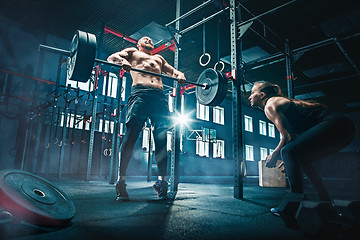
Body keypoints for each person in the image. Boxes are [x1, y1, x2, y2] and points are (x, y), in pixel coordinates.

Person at [248, 81, 357, 215]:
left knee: (286, 151)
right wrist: (290, 160)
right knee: (301, 158)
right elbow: (296, 141)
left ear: (262, 95)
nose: (249, 96)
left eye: (252, 93)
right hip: (346, 128)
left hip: (336, 124)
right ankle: (326, 202)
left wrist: (274, 154)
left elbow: (287, 137)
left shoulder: (270, 104)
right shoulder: (280, 104)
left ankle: (294, 204)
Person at [107, 36, 186, 200]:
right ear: (138, 44)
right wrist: (122, 62)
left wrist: (180, 75)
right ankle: (120, 181)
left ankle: (162, 183)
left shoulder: (159, 58)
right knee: (131, 136)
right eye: (145, 39)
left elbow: (173, 71)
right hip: (140, 94)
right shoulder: (132, 52)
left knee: (162, 139)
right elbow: (112, 57)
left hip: (159, 97)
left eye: (150, 39)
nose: (149, 39)